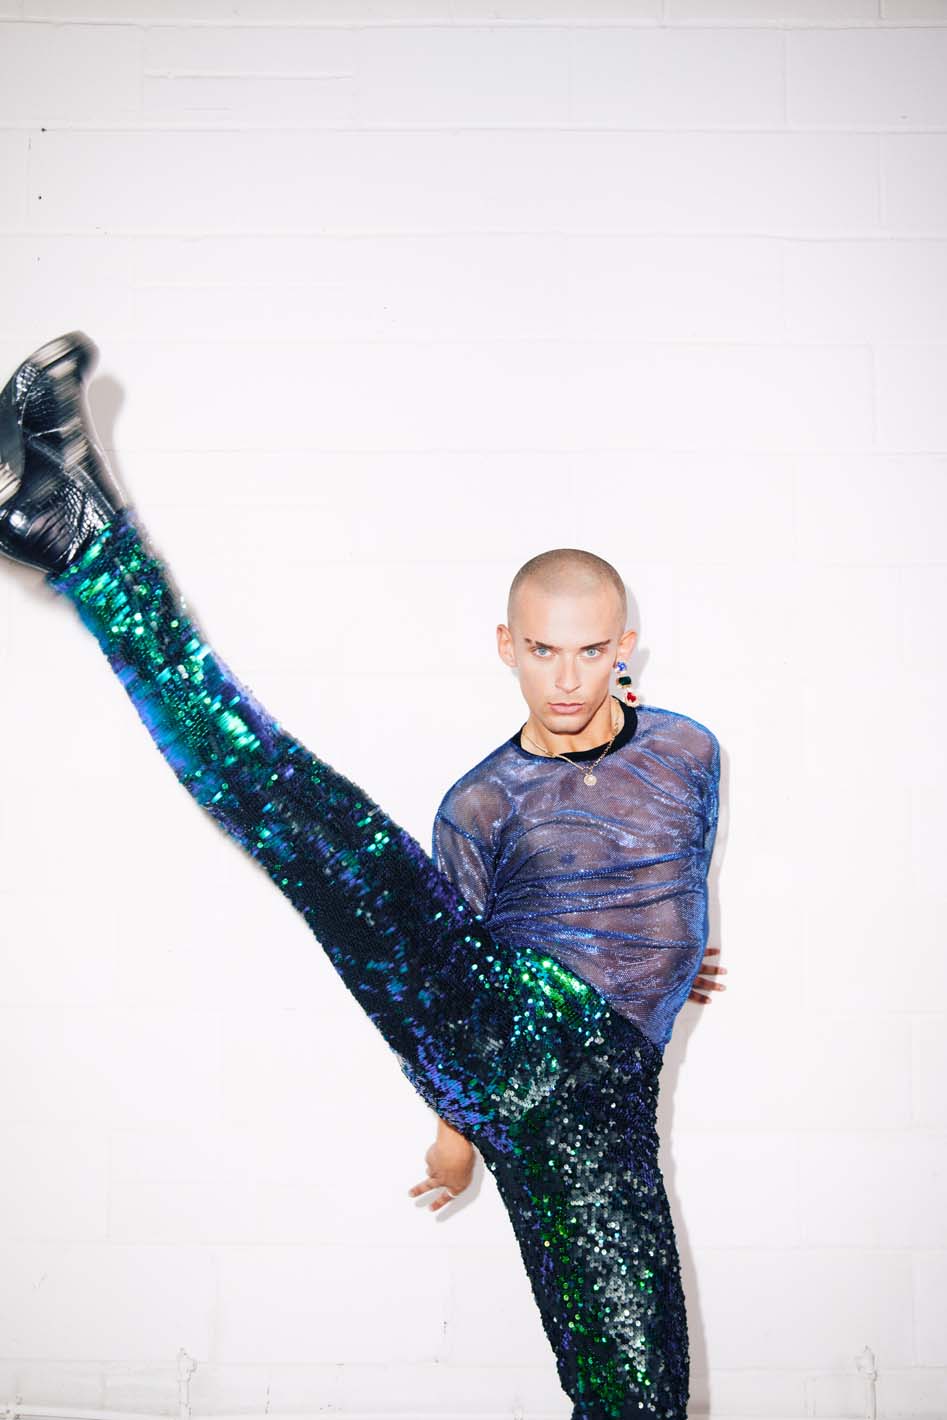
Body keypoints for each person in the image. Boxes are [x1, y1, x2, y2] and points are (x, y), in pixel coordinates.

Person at [0, 331, 725, 1420]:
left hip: (606, 1119)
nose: (566, 677)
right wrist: (450, 1133)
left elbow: (661, 870)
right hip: (506, 1033)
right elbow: (442, 979)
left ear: (624, 644)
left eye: (588, 652)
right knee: (294, 812)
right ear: (506, 646)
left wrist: (675, 956)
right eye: (542, 651)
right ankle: (84, 540)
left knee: (642, 1403)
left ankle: (71, 528)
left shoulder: (689, 749)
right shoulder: (478, 802)